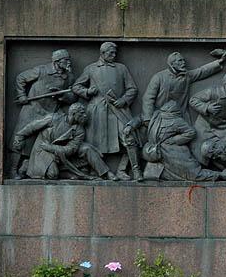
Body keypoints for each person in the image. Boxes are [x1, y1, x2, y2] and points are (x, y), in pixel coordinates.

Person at [72, 42, 141, 181]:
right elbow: (76, 86)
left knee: (129, 138)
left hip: (118, 110)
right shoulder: (91, 69)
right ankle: (97, 171)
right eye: (111, 53)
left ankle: (128, 169)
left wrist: (124, 100)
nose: (114, 55)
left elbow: (132, 89)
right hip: (98, 111)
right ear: (102, 53)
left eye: (115, 53)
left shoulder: (121, 68)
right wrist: (87, 91)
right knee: (95, 144)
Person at [8, 49, 76, 179]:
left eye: (69, 60)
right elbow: (21, 78)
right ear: (57, 61)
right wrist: (21, 95)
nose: (69, 62)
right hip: (32, 109)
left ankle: (32, 166)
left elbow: (73, 97)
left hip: (51, 112)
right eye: (66, 60)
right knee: (20, 139)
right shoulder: (41, 70)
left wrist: (61, 96)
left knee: (49, 141)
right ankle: (13, 169)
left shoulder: (69, 77)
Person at [139, 101, 226, 182]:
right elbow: (142, 118)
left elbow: (191, 132)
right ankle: (223, 175)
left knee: (195, 173)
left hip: (171, 151)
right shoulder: (160, 117)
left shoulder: (171, 120)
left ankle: (224, 175)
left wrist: (175, 140)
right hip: (160, 153)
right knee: (195, 174)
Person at [13, 103, 114, 180]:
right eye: (81, 113)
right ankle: (28, 164)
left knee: (87, 148)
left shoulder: (79, 130)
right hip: (43, 149)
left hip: (59, 152)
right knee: (53, 174)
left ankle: (106, 173)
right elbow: (33, 126)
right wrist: (19, 136)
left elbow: (70, 149)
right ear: (73, 114)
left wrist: (52, 148)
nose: (84, 115)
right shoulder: (53, 118)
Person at [142, 50, 226, 123]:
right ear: (172, 64)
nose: (183, 63)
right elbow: (148, 98)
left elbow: (202, 71)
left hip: (180, 116)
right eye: (180, 61)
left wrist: (219, 61)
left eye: (183, 60)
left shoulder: (186, 76)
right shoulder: (159, 77)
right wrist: (148, 118)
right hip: (161, 117)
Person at [190, 72, 226, 156]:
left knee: (225, 151)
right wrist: (207, 107)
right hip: (203, 126)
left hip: (223, 128)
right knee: (199, 152)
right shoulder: (213, 92)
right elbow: (193, 100)